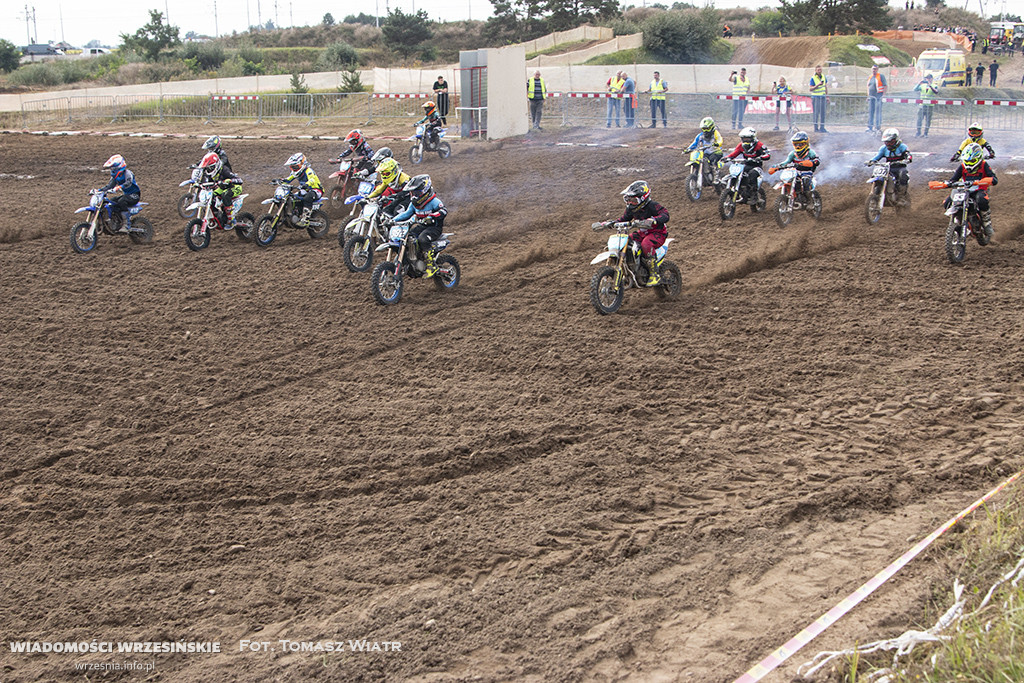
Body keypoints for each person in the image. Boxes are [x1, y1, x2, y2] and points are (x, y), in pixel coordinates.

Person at [595, 181, 669, 286]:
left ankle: (654, 274)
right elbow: (623, 219)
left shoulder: (652, 206)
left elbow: (665, 214)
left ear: (643, 199)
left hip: (658, 233)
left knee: (646, 244)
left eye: (633, 200)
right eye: (628, 200)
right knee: (625, 241)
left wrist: (653, 220)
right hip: (642, 233)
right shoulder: (631, 209)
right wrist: (607, 224)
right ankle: (629, 267)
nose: (630, 203)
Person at [391, 174, 447, 277]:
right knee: (408, 238)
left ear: (425, 191)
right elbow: (406, 213)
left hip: (434, 228)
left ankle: (431, 266)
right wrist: (391, 220)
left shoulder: (434, 201)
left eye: (417, 193)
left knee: (422, 239)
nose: (415, 196)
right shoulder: (414, 204)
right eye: (413, 193)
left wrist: (432, 217)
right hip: (421, 226)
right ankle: (413, 259)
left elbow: (443, 211)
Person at [939, 142, 997, 237]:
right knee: (947, 202)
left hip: (979, 189)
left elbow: (994, 179)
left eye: (972, 161)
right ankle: (958, 220)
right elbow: (954, 178)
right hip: (964, 189)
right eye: (967, 161)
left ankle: (986, 223)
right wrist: (948, 183)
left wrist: (987, 181)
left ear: (978, 159)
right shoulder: (962, 166)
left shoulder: (984, 165)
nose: (969, 163)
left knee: (981, 200)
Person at [767, 131, 820, 203]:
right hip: (796, 172)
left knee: (805, 180)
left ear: (806, 143)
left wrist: (811, 162)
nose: (798, 146)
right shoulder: (793, 154)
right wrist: (777, 166)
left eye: (801, 144)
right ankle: (793, 196)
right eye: (796, 144)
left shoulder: (810, 152)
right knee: (789, 180)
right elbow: (786, 162)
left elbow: (817, 160)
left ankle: (809, 199)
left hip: (807, 172)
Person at [724, 127, 771, 204]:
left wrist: (759, 158)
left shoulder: (759, 145)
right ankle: (737, 191)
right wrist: (726, 158)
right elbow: (734, 154)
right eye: (744, 139)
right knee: (736, 174)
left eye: (747, 139)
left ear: (753, 138)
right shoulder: (740, 146)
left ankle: (754, 196)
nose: (745, 140)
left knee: (752, 174)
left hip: (757, 167)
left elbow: (767, 155)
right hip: (746, 165)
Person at [865, 128, 911, 205]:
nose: (888, 144)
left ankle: (901, 196)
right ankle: (877, 193)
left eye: (890, 142)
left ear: (895, 140)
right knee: (878, 174)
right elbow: (877, 157)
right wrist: (871, 161)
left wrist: (907, 159)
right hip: (888, 168)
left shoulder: (902, 147)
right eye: (886, 142)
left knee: (903, 174)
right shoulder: (883, 149)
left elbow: (908, 155)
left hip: (900, 167)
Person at [96, 154, 140, 232]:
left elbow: (128, 182)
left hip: (134, 195)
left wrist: (119, 187)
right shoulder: (115, 177)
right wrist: (99, 190)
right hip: (126, 195)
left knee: (122, 201)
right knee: (111, 201)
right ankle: (116, 221)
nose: (112, 169)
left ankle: (127, 225)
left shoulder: (127, 173)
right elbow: (109, 186)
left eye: (114, 167)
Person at [198, 151, 243, 225]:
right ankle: (216, 214)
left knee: (225, 195)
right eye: (208, 168)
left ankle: (231, 219)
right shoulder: (209, 173)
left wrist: (229, 181)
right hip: (222, 188)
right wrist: (199, 184)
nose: (209, 170)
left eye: (210, 168)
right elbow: (205, 181)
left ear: (216, 165)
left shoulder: (224, 170)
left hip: (234, 187)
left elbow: (239, 180)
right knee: (211, 196)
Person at [280, 152, 323, 224]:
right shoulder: (295, 172)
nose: (294, 168)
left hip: (315, 190)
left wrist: (306, 184)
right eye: (292, 167)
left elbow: (312, 180)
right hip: (304, 190)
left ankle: (305, 218)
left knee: (307, 197)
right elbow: (288, 180)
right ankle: (293, 214)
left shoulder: (308, 171)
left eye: (295, 166)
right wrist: (280, 181)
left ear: (302, 164)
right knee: (291, 197)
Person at [867, 65, 887, 133]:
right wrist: (868, 96)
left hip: (879, 96)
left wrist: (883, 95)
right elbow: (868, 86)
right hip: (871, 97)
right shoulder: (870, 77)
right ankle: (870, 127)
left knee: (878, 112)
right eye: (873, 69)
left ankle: (878, 127)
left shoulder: (881, 76)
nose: (874, 70)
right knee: (871, 112)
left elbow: (885, 85)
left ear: (877, 69)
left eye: (875, 69)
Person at [809, 65, 829, 133]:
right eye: (818, 70)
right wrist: (817, 85)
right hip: (816, 97)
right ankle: (815, 128)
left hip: (823, 97)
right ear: (815, 71)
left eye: (820, 70)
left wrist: (827, 96)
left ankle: (822, 127)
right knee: (816, 113)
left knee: (823, 113)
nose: (819, 71)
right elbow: (810, 89)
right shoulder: (813, 78)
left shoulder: (824, 76)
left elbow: (825, 87)